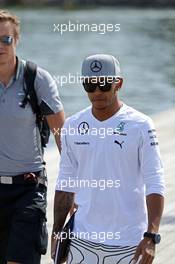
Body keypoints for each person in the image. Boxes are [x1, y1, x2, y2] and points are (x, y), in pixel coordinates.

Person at [52, 54, 165, 264]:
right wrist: (58, 231)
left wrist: (151, 236)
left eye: (104, 84)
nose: (97, 92)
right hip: (81, 241)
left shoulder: (141, 125)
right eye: (90, 85)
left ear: (118, 83)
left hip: (128, 244)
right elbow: (66, 181)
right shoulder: (72, 125)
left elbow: (155, 181)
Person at [0, 9, 65, 264]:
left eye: (6, 39)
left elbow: (62, 136)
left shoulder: (36, 79)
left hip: (28, 188)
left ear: (16, 41)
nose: (1, 46)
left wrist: (73, 189)